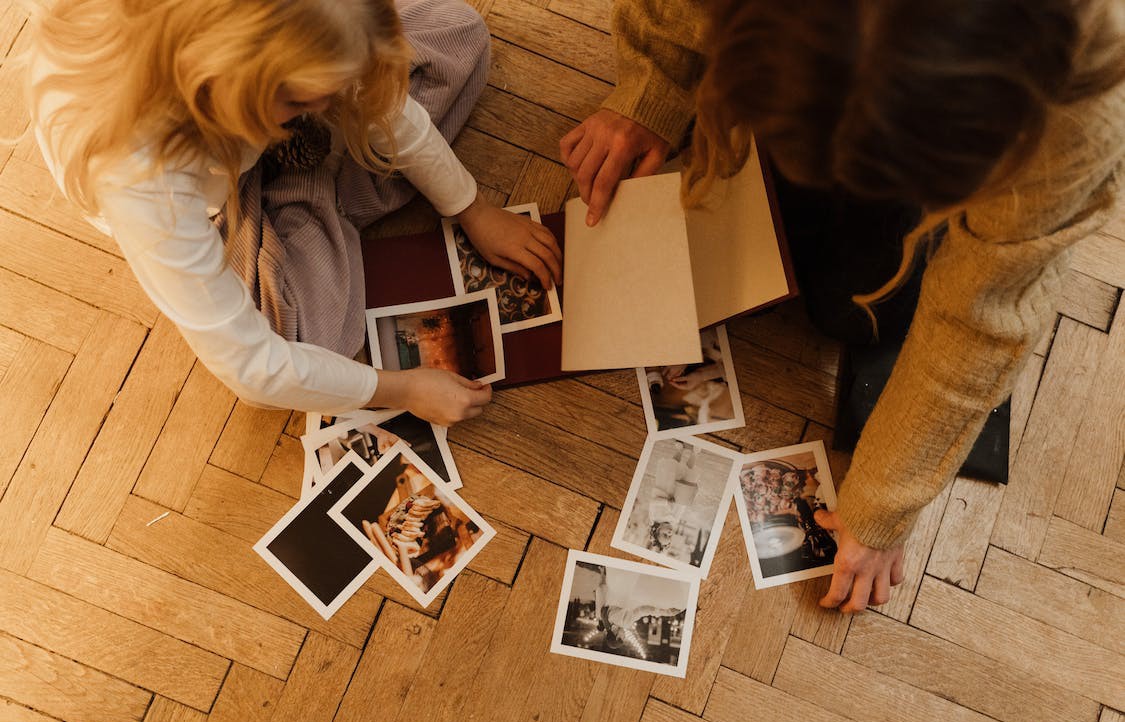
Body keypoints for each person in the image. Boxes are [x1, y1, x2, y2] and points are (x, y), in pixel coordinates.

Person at [562, 0, 1125, 612]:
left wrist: (883, 506)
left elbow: (980, 319)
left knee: (855, 313)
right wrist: (656, 87)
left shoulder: (1077, 121)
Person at [24, 0, 562, 426]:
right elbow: (253, 369)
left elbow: (374, 97)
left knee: (455, 30)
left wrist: (471, 205)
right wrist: (398, 388)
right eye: (305, 102)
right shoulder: (143, 179)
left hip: (249, 123)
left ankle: (312, 176)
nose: (333, 108)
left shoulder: (285, 39)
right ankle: (304, 180)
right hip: (219, 204)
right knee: (316, 344)